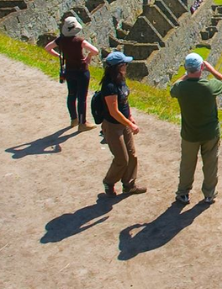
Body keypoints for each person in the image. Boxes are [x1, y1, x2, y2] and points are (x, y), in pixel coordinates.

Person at [170, 52, 222, 205]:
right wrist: (211, 70)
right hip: (210, 133)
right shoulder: (209, 86)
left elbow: (173, 87)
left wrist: (186, 74)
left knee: (187, 165)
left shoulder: (181, 88)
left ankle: (183, 193)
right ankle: (209, 194)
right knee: (210, 165)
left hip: (190, 134)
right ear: (201, 67)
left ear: (186, 68)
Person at [99, 51, 146, 197]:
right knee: (121, 159)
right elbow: (113, 111)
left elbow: (125, 101)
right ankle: (109, 181)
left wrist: (130, 116)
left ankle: (129, 184)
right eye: (125, 64)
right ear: (118, 66)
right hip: (113, 126)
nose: (127, 66)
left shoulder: (120, 80)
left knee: (132, 156)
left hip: (124, 123)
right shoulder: (109, 86)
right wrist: (130, 125)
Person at [44, 17, 99, 131]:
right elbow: (95, 51)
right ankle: (82, 123)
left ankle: (74, 119)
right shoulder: (79, 41)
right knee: (82, 98)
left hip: (69, 71)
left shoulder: (60, 40)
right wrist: (88, 56)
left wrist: (59, 56)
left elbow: (47, 48)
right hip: (81, 71)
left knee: (71, 95)